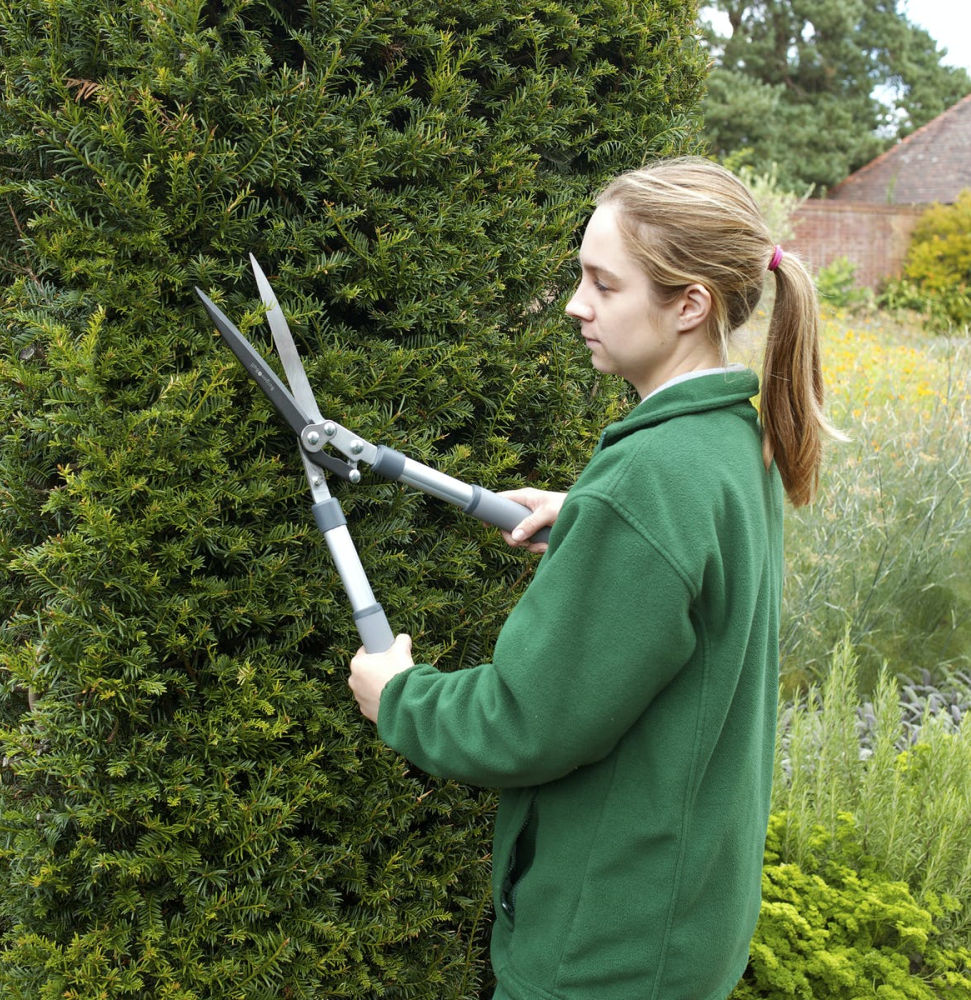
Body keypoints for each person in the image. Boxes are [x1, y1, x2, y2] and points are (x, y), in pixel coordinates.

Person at [348, 156, 837, 1000]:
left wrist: (399, 696)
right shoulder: (734, 441)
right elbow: (693, 577)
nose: (576, 305)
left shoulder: (650, 483)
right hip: (679, 926)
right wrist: (592, 522)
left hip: (605, 954)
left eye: (603, 285)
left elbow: (525, 722)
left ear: (690, 305)